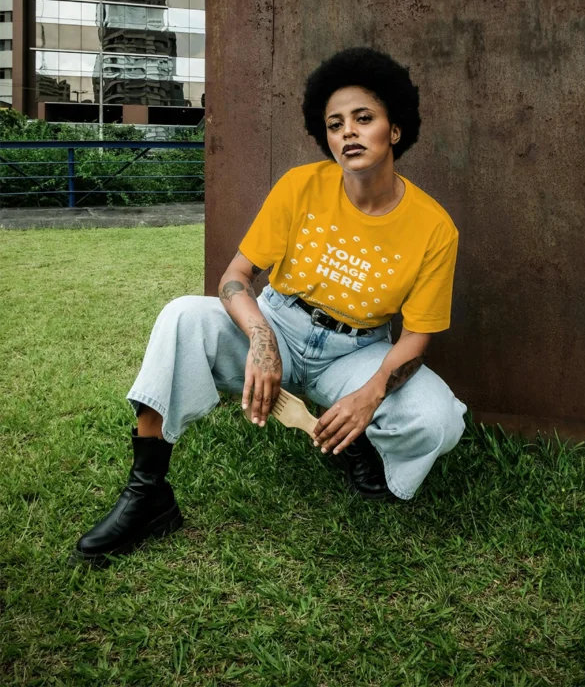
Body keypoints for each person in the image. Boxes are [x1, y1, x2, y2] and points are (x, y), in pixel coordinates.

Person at [71, 46, 468, 565]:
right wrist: (260, 337)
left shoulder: (434, 227)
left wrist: (370, 395)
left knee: (439, 419)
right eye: (334, 124)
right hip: (277, 319)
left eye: (363, 118)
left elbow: (417, 335)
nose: (347, 132)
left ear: (394, 130)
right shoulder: (300, 186)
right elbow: (236, 277)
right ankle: (149, 495)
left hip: (356, 351)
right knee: (181, 316)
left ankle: (360, 449)